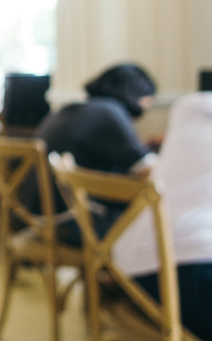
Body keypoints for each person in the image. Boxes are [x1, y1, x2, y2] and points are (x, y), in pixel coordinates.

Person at [113, 92, 212, 339]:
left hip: (129, 263)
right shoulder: (110, 114)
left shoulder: (188, 111)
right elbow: (141, 166)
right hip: (178, 270)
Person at [26, 63, 158, 245]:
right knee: (155, 222)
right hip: (70, 223)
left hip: (39, 214)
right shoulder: (110, 112)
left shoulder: (77, 109)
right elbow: (150, 169)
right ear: (139, 94)